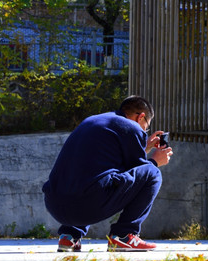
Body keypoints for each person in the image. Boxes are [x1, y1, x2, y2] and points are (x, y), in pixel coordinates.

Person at [42, 95, 173, 252]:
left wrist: (143, 147)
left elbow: (112, 167)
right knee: (153, 173)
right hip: (88, 203)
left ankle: (69, 237)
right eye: (146, 127)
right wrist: (155, 161)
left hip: (55, 204)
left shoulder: (92, 121)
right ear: (141, 117)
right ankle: (123, 235)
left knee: (91, 175)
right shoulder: (132, 127)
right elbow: (139, 173)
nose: (144, 131)